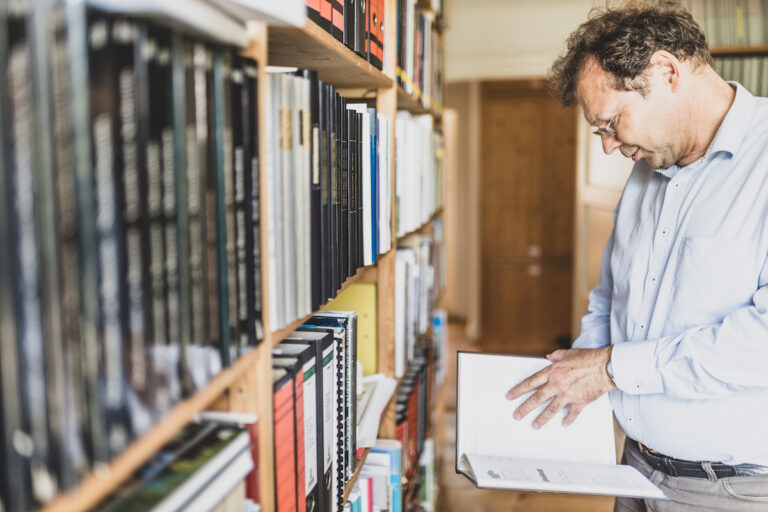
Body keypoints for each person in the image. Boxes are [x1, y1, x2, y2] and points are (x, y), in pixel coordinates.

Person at [504, 2, 768, 511]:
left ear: (666, 71)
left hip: (733, 490)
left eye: (611, 122)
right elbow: (611, 295)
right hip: (636, 472)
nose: (608, 147)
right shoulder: (648, 169)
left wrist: (608, 370)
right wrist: (571, 390)